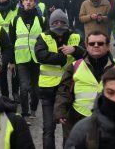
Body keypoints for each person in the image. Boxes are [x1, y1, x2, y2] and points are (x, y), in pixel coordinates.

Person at [54, 31, 115, 144]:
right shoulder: (75, 66)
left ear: (108, 46)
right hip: (78, 119)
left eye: (100, 43)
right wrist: (60, 111)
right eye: (92, 43)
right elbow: (63, 91)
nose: (96, 45)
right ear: (87, 46)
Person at [34, 9, 85, 149]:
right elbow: (40, 56)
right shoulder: (43, 37)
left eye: (62, 22)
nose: (58, 25)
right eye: (55, 22)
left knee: (68, 130)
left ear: (67, 23)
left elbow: (87, 54)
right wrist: (62, 57)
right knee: (49, 129)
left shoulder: (76, 36)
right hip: (48, 91)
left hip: (70, 90)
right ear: (50, 23)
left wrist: (75, 50)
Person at [9, 0, 46, 120]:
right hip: (21, 58)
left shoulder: (41, 20)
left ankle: (33, 109)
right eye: (26, 0)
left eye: (31, 0)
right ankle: (25, 113)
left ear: (35, 3)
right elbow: (11, 42)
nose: (29, 2)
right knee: (23, 88)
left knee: (35, 90)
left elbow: (47, 40)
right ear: (22, 2)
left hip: (37, 58)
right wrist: (11, 61)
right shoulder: (15, 20)